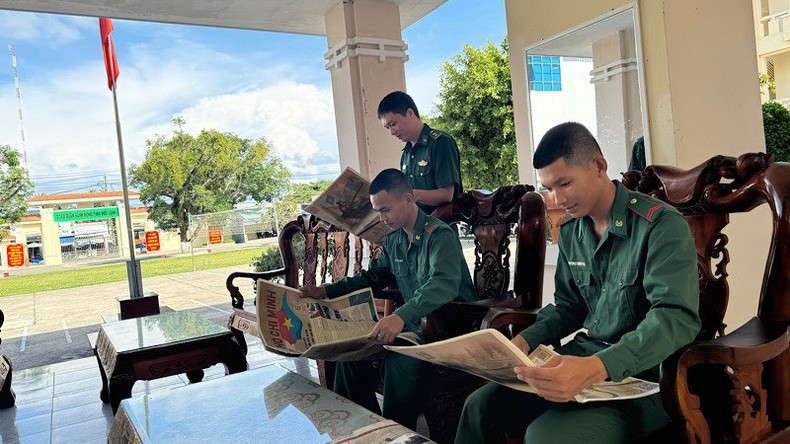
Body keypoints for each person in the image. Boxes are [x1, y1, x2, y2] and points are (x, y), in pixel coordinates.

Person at [455, 122, 701, 443]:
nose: (556, 199)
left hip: (650, 376)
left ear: (598, 166)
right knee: (480, 407)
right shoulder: (572, 230)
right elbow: (569, 307)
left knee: (544, 436)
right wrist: (523, 343)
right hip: (584, 357)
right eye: (548, 188)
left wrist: (596, 367)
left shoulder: (660, 226)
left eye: (565, 183)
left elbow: (674, 319)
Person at [300, 168, 477, 430]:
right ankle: (358, 430)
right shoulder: (394, 241)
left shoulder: (440, 236)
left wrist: (400, 316)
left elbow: (442, 285)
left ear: (408, 199)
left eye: (386, 210)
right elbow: (373, 277)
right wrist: (327, 291)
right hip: (414, 330)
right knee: (349, 358)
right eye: (378, 212)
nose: (382, 219)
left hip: (449, 330)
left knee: (398, 364)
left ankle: (396, 435)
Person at [378, 91, 462, 215]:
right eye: (388, 128)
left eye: (393, 124)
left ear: (410, 113)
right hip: (415, 224)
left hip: (441, 225)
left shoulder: (440, 142)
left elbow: (447, 195)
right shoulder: (406, 155)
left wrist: (412, 194)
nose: (392, 132)